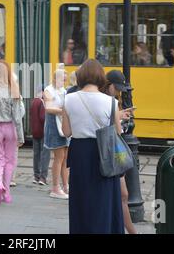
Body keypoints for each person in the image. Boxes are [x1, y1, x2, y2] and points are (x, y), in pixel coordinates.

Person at [62, 59, 124, 234]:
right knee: (104, 199)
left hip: (80, 153)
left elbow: (66, 131)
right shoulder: (110, 102)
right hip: (103, 152)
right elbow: (118, 131)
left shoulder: (69, 99)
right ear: (100, 77)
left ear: (81, 77)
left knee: (81, 200)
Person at [0, 61, 24, 205]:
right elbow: (17, 116)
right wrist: (20, 135)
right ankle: (6, 191)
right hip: (10, 128)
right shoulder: (13, 88)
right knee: (9, 161)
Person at [102, 70, 137, 235]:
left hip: (110, 153)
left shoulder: (111, 101)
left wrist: (120, 115)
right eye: (116, 88)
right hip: (111, 154)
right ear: (108, 84)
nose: (118, 92)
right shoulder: (109, 102)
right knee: (122, 195)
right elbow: (116, 129)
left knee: (122, 195)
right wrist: (119, 118)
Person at [44, 69, 69, 199]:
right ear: (54, 79)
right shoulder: (48, 90)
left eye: (65, 80)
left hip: (63, 125)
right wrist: (63, 111)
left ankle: (66, 186)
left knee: (65, 157)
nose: (64, 82)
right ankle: (55, 187)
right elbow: (48, 108)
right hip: (54, 126)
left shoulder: (63, 91)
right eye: (62, 80)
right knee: (59, 157)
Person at [30, 85, 49, 185]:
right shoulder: (41, 102)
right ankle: (43, 177)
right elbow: (43, 118)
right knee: (44, 154)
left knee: (36, 154)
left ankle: (36, 176)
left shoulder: (33, 101)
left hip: (35, 132)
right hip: (43, 132)